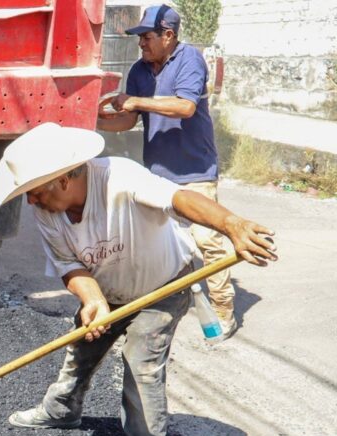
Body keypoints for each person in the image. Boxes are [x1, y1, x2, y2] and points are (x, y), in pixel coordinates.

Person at [0, 123, 277, 436]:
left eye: (36, 191)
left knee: (141, 365)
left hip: (164, 283)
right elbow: (69, 264)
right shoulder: (48, 210)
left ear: (63, 179)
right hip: (108, 286)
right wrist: (93, 301)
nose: (31, 202)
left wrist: (232, 225)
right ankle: (61, 409)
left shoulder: (119, 178)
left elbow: (179, 198)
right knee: (83, 344)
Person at [98, 5, 238, 340]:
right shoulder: (139, 71)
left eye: (147, 37)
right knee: (157, 242)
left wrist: (136, 102)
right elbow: (128, 120)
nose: (141, 44)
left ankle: (223, 310)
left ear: (168, 36)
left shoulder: (189, 60)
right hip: (157, 174)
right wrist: (94, 119)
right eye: (140, 38)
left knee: (208, 241)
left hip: (195, 170)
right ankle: (162, 301)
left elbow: (185, 106)